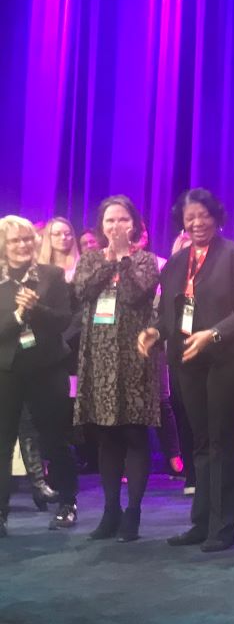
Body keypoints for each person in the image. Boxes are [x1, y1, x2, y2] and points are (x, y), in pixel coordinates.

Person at [137, 188, 234, 553]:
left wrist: (214, 335)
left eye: (203, 215)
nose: (197, 222)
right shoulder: (175, 263)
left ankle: (224, 527)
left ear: (217, 217)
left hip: (226, 360)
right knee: (200, 443)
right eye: (190, 217)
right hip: (187, 361)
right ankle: (201, 522)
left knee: (221, 441)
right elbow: (170, 315)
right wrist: (155, 332)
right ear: (182, 223)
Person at [74, 196, 161, 542]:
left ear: (135, 225)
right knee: (107, 436)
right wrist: (108, 261)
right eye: (109, 221)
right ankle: (110, 510)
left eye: (123, 220)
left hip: (133, 356)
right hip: (98, 356)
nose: (116, 227)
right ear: (101, 227)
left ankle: (133, 513)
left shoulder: (144, 260)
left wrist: (123, 260)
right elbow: (83, 290)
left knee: (133, 433)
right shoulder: (91, 260)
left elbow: (135, 295)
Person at [0, 215, 79, 536]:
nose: (22, 245)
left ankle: (67, 503)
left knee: (54, 439)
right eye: (14, 241)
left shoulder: (52, 275)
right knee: (3, 444)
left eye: (27, 239)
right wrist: (19, 315)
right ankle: (1, 512)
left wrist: (37, 309)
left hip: (47, 368)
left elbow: (65, 320)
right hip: (7, 371)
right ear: (3, 246)